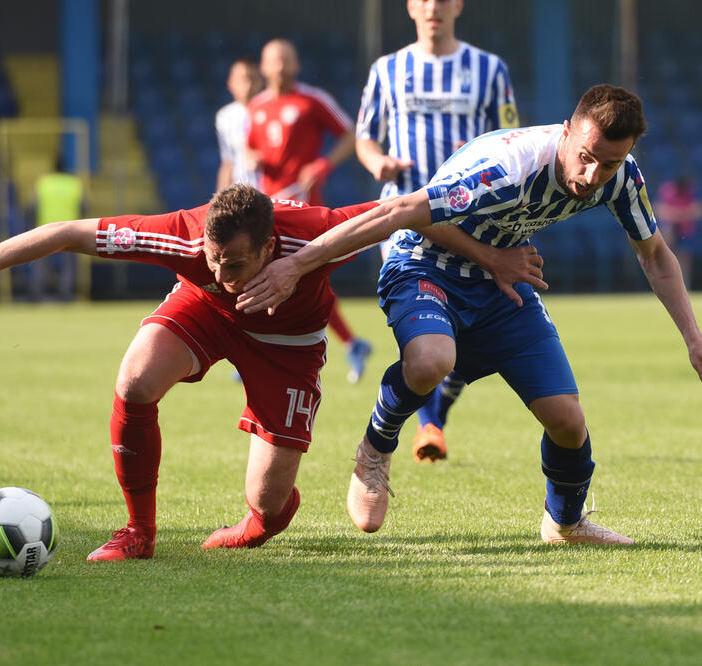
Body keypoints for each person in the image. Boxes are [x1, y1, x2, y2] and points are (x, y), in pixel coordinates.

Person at [237, 84, 702, 545]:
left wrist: (694, 337)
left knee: (567, 421)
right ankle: (375, 448)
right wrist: (296, 266)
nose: (592, 177)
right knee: (431, 360)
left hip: (501, 282)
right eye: (586, 157)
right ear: (566, 133)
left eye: (608, 164)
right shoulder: (507, 169)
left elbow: (654, 254)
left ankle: (564, 523)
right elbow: (401, 214)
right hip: (423, 265)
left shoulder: (620, 177)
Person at [0, 185, 386, 561]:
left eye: (235, 264)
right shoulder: (182, 238)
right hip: (207, 315)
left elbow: (405, 211)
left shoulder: (320, 230)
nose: (222, 275)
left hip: (287, 342)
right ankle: (139, 532)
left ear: (269, 247)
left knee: (269, 504)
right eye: (213, 260)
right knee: (135, 380)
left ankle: (259, 520)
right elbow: (67, 233)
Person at [356, 0, 519, 462]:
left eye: (443, 0)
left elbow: (510, 137)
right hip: (404, 219)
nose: (433, 7)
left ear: (458, 6)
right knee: (424, 327)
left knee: (466, 334)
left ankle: (433, 419)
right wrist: (377, 162)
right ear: (411, 6)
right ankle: (426, 423)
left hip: (472, 219)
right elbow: (365, 135)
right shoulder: (388, 69)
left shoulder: (489, 70)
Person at [248, 38, 373, 384]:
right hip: (267, 207)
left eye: (287, 60)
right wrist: (252, 157)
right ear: (264, 67)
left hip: (302, 206)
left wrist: (323, 163)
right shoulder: (256, 108)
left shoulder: (312, 100)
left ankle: (344, 343)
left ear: (296, 65)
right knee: (279, 278)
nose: (281, 67)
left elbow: (351, 134)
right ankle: (349, 343)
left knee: (303, 277)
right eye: (275, 61)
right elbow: (251, 149)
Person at [28, 157, 85, 301]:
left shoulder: (44, 183)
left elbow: (33, 206)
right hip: (70, 228)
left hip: (46, 227)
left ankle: (37, 293)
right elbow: (83, 206)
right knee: (69, 265)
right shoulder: (74, 183)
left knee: (40, 261)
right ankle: (66, 293)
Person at [215, 58, 263, 191]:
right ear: (230, 83)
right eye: (242, 79)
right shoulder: (225, 116)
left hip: (273, 192)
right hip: (241, 194)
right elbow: (228, 161)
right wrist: (220, 198)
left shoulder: (270, 109)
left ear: (260, 82)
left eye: (252, 79)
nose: (247, 85)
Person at [653, 175, 702, 289]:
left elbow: (700, 209)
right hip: (670, 229)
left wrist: (684, 215)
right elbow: (658, 209)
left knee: (684, 258)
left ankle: (684, 286)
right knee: (666, 254)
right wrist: (677, 215)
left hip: (686, 231)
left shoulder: (691, 192)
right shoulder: (667, 190)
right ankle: (665, 286)